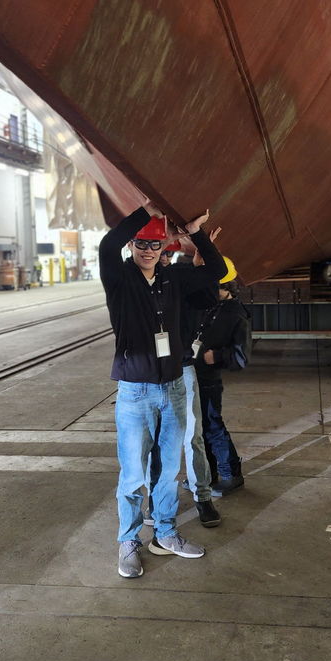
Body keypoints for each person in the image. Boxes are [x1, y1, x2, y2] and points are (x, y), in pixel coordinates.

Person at [99, 199, 226, 578]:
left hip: (172, 389)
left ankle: (165, 534)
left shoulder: (173, 279)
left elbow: (217, 270)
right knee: (134, 475)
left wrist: (195, 234)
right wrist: (145, 211)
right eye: (141, 243)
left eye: (155, 245)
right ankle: (129, 541)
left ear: (163, 249)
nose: (148, 250)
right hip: (134, 392)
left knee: (169, 470)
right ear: (132, 245)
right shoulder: (119, 279)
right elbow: (107, 244)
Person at [148, 231, 222, 528]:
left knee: (193, 437)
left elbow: (210, 289)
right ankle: (156, 502)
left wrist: (201, 255)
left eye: (166, 252)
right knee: (155, 442)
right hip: (149, 375)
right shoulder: (139, 283)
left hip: (182, 369)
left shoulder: (183, 278)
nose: (161, 257)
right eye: (157, 250)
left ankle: (202, 497)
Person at [195, 268, 250, 495]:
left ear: (225, 287)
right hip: (194, 375)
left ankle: (231, 474)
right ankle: (208, 475)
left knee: (212, 425)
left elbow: (241, 357)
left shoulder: (235, 313)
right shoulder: (212, 305)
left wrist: (216, 356)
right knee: (201, 429)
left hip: (209, 378)